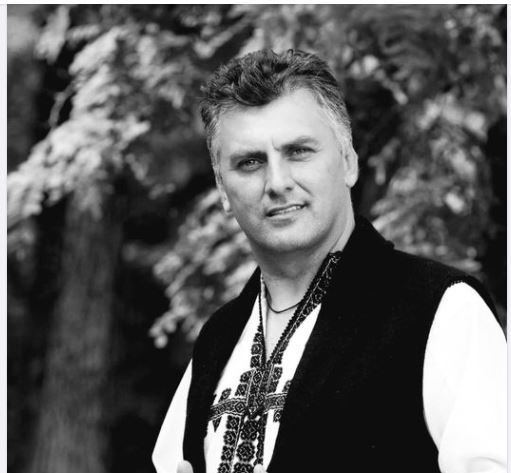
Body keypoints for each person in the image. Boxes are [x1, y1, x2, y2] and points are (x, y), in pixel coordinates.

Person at [153, 49, 506, 473]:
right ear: (223, 191)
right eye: (250, 162)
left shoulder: (443, 310)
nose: (277, 182)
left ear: (348, 162)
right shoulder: (218, 338)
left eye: (298, 151)